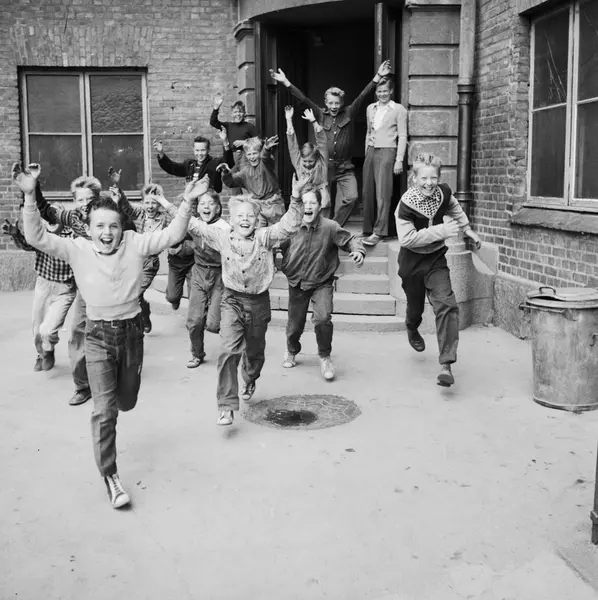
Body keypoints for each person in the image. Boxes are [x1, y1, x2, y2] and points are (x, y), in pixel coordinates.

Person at [17, 162, 202, 509]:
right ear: (88, 229)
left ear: (122, 228)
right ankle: (110, 475)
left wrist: (188, 202)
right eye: (100, 225)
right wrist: (30, 196)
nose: (107, 232)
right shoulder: (77, 248)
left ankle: (114, 399)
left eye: (113, 225)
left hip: (131, 334)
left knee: (126, 401)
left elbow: (172, 235)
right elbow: (37, 237)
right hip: (98, 336)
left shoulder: (135, 243)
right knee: (105, 412)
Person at [159, 174, 307, 426]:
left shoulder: (265, 237)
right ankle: (226, 406)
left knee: (255, 354)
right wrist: (171, 202)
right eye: (240, 216)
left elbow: (288, 226)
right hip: (232, 301)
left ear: (257, 219)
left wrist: (295, 197)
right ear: (232, 219)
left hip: (258, 303)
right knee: (228, 350)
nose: (245, 220)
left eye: (250, 216)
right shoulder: (222, 236)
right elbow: (192, 224)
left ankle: (249, 378)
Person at [395, 153, 482, 387]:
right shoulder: (405, 204)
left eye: (433, 177)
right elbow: (407, 239)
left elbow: (453, 206)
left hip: (435, 260)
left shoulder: (443, 193)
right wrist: (442, 231)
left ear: (439, 177)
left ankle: (446, 364)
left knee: (447, 304)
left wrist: (467, 229)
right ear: (414, 178)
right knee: (415, 308)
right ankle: (411, 327)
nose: (429, 183)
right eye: (424, 178)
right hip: (411, 263)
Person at [270, 60, 392, 226]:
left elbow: (363, 96)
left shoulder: (349, 112)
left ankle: (333, 226)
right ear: (326, 103)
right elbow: (303, 99)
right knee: (324, 202)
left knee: (352, 197)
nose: (334, 106)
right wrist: (286, 82)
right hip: (324, 167)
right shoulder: (320, 114)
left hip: (345, 167)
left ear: (342, 103)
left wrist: (377, 76)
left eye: (337, 103)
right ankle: (322, 227)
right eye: (331, 103)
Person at [280, 188, 365, 381]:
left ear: (320, 206)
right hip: (297, 282)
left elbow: (350, 240)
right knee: (295, 324)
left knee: (323, 318)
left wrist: (358, 250)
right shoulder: (291, 226)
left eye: (312, 202)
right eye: (304, 202)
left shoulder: (330, 227)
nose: (308, 206)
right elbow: (274, 243)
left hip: (321, 282)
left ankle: (325, 356)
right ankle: (291, 350)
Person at [160, 189, 230, 368]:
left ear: (218, 208)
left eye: (211, 204)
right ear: (197, 208)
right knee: (194, 321)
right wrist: (161, 199)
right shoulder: (194, 223)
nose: (206, 207)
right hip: (198, 272)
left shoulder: (224, 228)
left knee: (213, 324)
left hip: (219, 275)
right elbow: (178, 215)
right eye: (202, 204)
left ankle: (235, 336)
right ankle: (197, 354)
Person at [2, 208, 76, 372]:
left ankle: (48, 349)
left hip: (65, 288)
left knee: (48, 329)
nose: (51, 219)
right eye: (48, 216)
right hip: (44, 284)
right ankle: (42, 354)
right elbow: (28, 245)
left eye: (55, 215)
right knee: (37, 327)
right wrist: (16, 234)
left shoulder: (72, 236)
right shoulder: (41, 234)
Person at [109, 169, 172, 334]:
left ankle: (136, 324)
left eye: (154, 203)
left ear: (159, 203)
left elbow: (178, 220)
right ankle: (144, 312)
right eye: (147, 202)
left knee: (135, 292)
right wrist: (118, 187)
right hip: (135, 259)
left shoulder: (165, 218)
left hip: (150, 262)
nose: (150, 206)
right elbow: (126, 207)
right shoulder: (140, 214)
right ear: (142, 203)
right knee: (133, 292)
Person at [362, 77, 408, 246]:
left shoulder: (398, 109)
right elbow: (368, 132)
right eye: (379, 91)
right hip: (371, 151)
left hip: (388, 151)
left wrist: (399, 159)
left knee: (383, 193)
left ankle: (379, 231)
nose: (382, 94)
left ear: (391, 91)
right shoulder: (370, 108)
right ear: (376, 92)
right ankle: (368, 229)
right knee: (367, 191)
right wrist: (366, 151)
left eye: (385, 91)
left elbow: (402, 135)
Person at [217, 135, 284, 227]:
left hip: (273, 205)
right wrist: (226, 172)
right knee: (258, 232)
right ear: (245, 155)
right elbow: (231, 182)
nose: (252, 157)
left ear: (260, 153)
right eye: (249, 154)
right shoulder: (245, 172)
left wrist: (266, 148)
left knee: (276, 232)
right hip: (257, 206)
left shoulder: (265, 164)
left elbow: (265, 157)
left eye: (255, 153)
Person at [284, 106, 331, 215]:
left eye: (310, 161)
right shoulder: (298, 162)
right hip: (304, 199)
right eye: (305, 161)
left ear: (317, 158)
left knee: (323, 223)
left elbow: (322, 142)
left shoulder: (322, 162)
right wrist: (289, 119)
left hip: (321, 200)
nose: (307, 164)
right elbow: (292, 144)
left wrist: (314, 121)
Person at [152, 129, 233, 190]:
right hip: (192, 201)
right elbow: (172, 168)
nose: (199, 153)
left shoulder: (214, 163)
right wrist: (161, 153)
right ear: (193, 150)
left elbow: (228, 162)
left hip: (208, 201)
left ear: (208, 150)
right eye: (197, 150)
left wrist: (225, 141)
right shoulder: (189, 164)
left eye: (203, 150)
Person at [210, 93, 258, 166]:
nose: (238, 114)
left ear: (244, 113)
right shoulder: (228, 126)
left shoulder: (249, 126)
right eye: (235, 112)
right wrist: (216, 108)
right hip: (230, 157)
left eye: (240, 112)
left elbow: (259, 141)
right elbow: (213, 122)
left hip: (245, 158)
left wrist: (245, 142)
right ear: (232, 114)